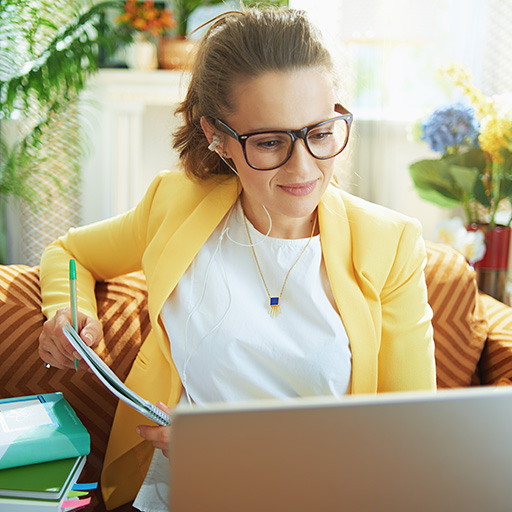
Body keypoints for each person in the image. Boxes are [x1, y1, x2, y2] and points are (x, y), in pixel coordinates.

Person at [38, 7, 436, 511]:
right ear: (218, 136)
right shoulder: (174, 205)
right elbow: (69, 252)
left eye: (320, 132)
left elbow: (412, 442)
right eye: (269, 141)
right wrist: (70, 313)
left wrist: (241, 453)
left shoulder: (391, 243)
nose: (304, 167)